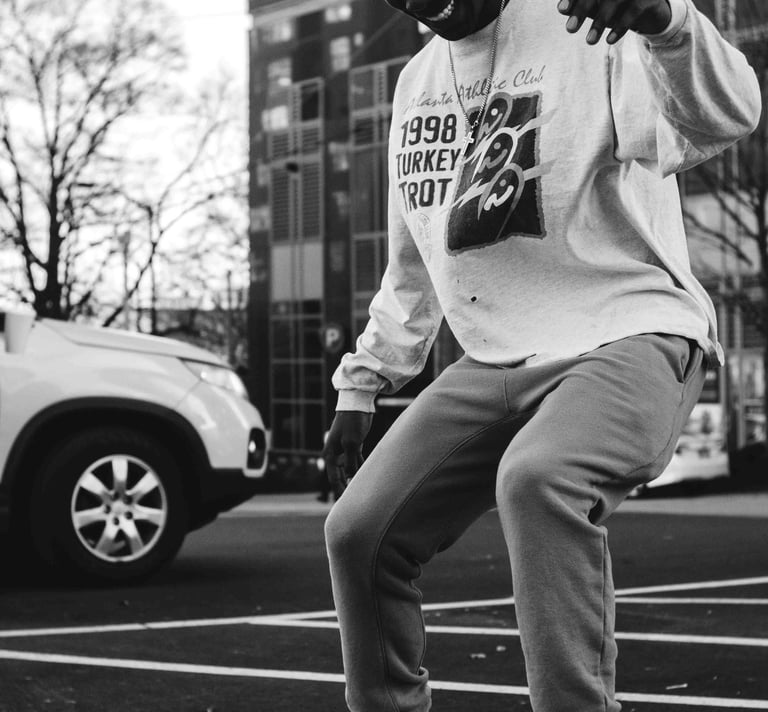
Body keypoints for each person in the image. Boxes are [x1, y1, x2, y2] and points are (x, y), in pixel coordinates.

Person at [321, 0, 761, 710]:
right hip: (494, 359)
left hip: (629, 332)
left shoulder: (586, 28)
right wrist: (362, 384)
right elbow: (414, 266)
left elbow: (722, 118)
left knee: (537, 477)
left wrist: (666, 22)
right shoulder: (415, 83)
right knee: (359, 531)